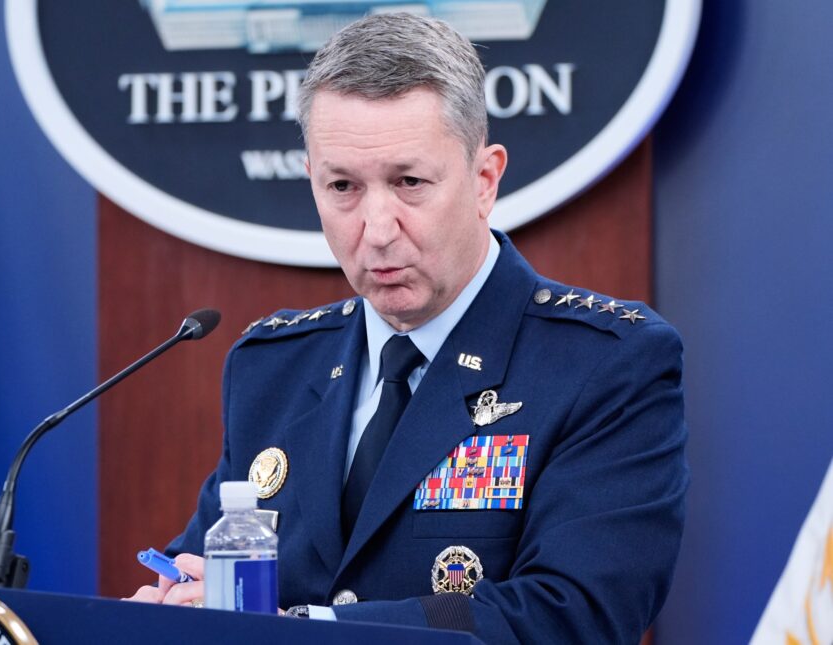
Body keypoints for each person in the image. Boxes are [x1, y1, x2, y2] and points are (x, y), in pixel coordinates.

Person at [129, 12, 688, 643]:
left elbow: (573, 613)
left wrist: (305, 628)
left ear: (484, 180)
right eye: (343, 185)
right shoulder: (272, 365)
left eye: (410, 182)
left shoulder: (606, 363)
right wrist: (171, 604)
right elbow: (207, 564)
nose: (377, 228)